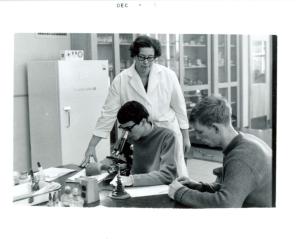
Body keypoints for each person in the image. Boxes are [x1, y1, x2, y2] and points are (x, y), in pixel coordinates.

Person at [81, 35, 190, 176]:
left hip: (166, 132)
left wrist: (186, 137)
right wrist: (92, 145)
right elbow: (107, 115)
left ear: (155, 57)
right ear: (134, 56)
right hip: (138, 134)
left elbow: (180, 108)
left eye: (150, 58)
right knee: (143, 174)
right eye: (141, 57)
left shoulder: (168, 75)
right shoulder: (121, 80)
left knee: (172, 174)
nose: (146, 62)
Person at [168, 95, 272, 208]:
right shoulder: (243, 142)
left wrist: (180, 193)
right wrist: (199, 187)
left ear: (216, 128)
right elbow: (232, 189)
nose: (197, 137)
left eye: (200, 132)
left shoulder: (241, 157)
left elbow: (226, 204)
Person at [87, 101, 177, 187]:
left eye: (129, 128)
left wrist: (132, 180)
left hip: (159, 192)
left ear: (143, 122)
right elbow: (116, 159)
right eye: (123, 129)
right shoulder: (128, 136)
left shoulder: (167, 137)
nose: (127, 133)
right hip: (134, 191)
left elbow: (167, 176)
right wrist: (100, 165)